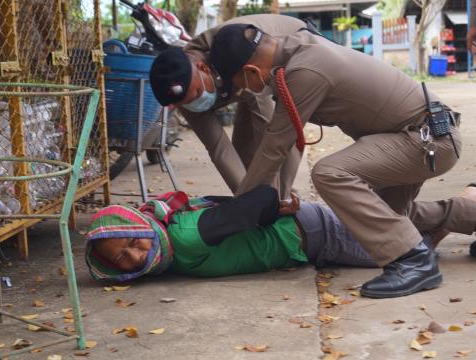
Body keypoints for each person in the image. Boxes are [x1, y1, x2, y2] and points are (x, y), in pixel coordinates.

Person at [207, 22, 476, 298]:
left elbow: (274, 147)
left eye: (241, 86)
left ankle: (413, 260)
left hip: (428, 139)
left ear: (251, 72)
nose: (246, 93)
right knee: (379, 215)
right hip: (420, 134)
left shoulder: (304, 71)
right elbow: (282, 144)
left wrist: (232, 214)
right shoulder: (298, 48)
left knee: (330, 173)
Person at [85, 184, 476, 285]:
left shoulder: (185, 237)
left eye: (134, 242)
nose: (137, 256)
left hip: (315, 232)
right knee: (406, 227)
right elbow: (224, 204)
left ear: (141, 226)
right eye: (122, 259)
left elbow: (255, 201)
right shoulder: (172, 241)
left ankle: (466, 203)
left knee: (409, 250)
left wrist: (277, 205)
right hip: (312, 239)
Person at [149, 14, 311, 199]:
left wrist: (276, 197)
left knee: (280, 136)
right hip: (239, 87)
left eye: (194, 95)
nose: (192, 104)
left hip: (295, 50)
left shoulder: (235, 54)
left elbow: (271, 138)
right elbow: (219, 150)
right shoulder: (185, 93)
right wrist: (244, 201)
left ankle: (286, 199)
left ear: (203, 68)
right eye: (184, 104)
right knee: (244, 157)